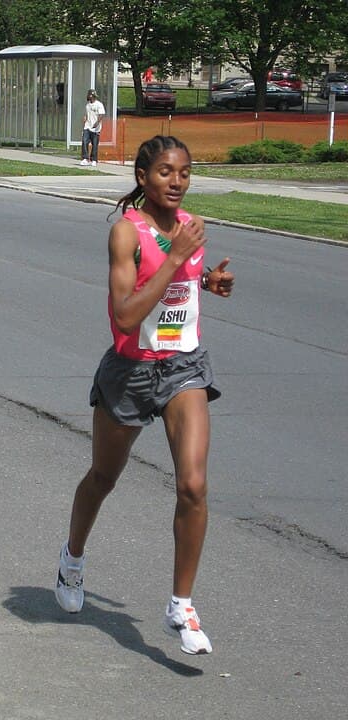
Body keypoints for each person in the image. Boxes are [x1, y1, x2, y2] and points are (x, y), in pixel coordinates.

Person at [54, 135, 235, 655]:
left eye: (184, 172)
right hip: (131, 371)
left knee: (194, 485)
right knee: (103, 478)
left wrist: (208, 281)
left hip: (184, 368)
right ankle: (73, 557)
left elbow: (181, 287)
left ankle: (181, 603)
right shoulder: (125, 234)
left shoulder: (192, 228)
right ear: (142, 177)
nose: (176, 182)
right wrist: (178, 259)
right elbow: (128, 315)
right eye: (164, 172)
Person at [80, 89, 106, 167]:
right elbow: (87, 115)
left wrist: (97, 122)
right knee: (84, 141)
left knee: (95, 144)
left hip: (96, 128)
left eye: (92, 97)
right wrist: (85, 118)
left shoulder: (99, 105)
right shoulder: (87, 105)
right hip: (87, 126)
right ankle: (85, 158)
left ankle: (93, 159)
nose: (91, 98)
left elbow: (101, 114)